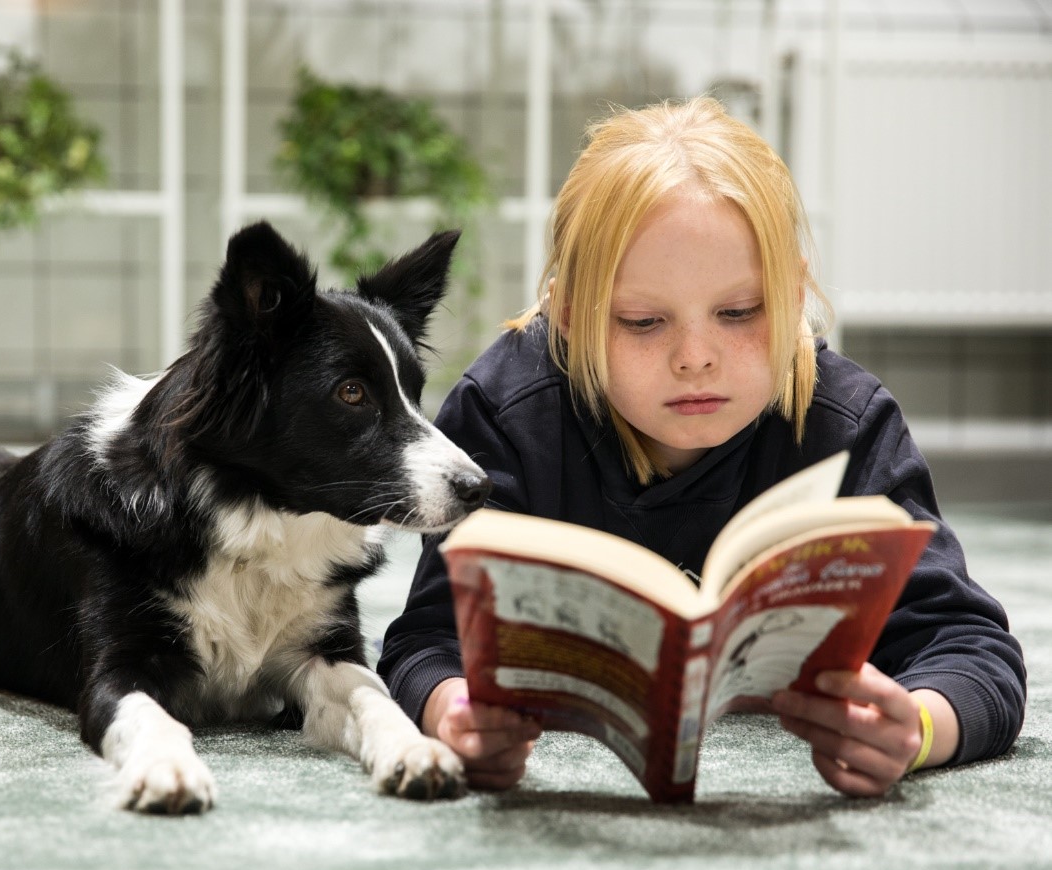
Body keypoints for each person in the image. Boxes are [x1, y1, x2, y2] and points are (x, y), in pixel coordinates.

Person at [376, 96, 1026, 797]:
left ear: (792, 294)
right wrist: (454, 711)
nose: (694, 357)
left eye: (738, 312)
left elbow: (972, 649)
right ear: (567, 319)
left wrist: (918, 727)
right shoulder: (503, 412)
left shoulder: (846, 422)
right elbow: (424, 642)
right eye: (643, 320)